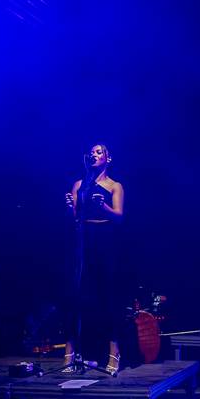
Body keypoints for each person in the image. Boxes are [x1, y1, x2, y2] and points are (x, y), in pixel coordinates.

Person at [64, 144, 125, 376]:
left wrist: (104, 207)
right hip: (84, 238)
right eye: (92, 152)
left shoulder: (114, 186)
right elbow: (75, 218)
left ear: (108, 158)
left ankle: (114, 351)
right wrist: (69, 209)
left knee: (108, 295)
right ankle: (71, 351)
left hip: (105, 238)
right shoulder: (80, 185)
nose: (94, 154)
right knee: (76, 293)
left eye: (99, 152)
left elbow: (119, 216)